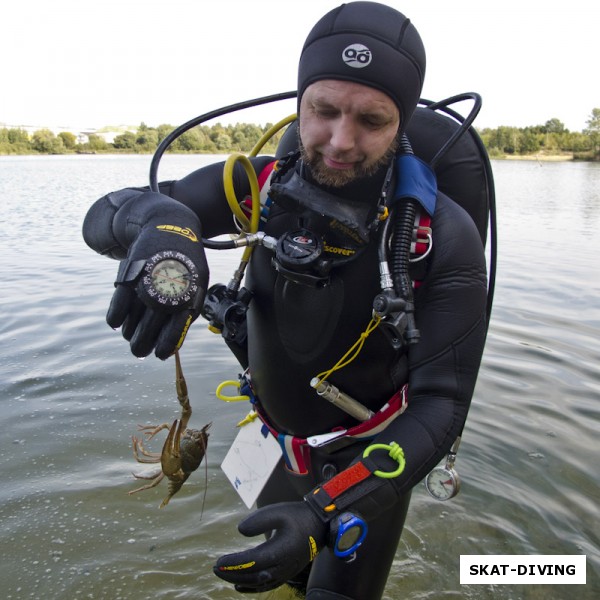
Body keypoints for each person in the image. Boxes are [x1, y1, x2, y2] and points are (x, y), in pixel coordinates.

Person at [82, 2, 490, 598]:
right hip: (273, 444)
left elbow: (442, 408)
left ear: (401, 123)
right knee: (283, 583)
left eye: (372, 120)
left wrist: (326, 509)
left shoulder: (441, 237)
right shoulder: (256, 184)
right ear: (298, 103)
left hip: (366, 465)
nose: (341, 141)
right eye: (323, 111)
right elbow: (105, 215)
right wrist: (166, 224)